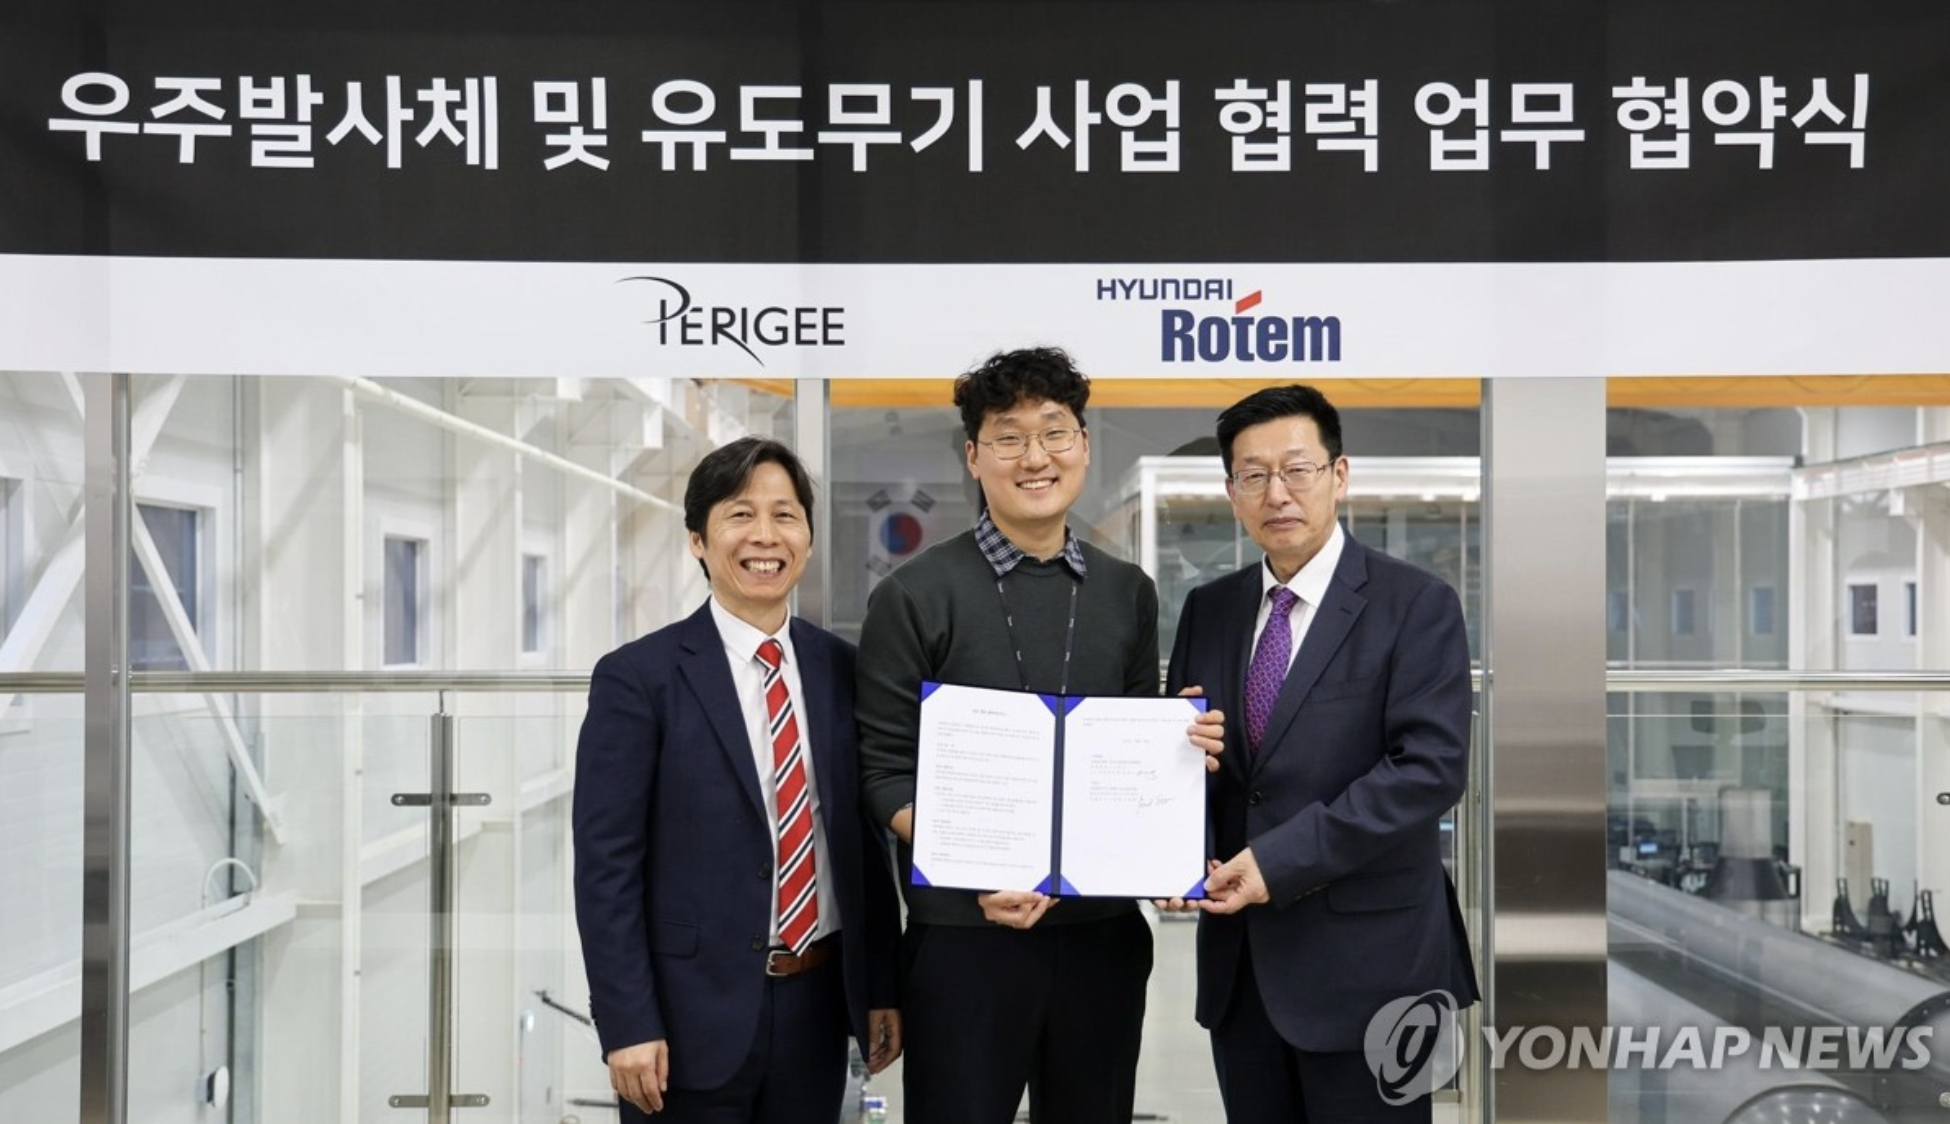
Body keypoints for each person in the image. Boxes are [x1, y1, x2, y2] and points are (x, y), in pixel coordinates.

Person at [856, 346, 1224, 1124]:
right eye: (1009, 437)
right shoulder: (914, 595)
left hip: (1101, 940)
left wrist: (1175, 748)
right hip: (965, 939)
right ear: (974, 455)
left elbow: (1133, 743)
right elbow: (883, 771)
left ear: (1083, 445)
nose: (1035, 458)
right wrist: (975, 871)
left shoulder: (1127, 592)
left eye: (1054, 432)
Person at [1167, 384, 1478, 1124]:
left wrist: (1276, 862)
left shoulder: (1415, 603)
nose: (1276, 493)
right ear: (1232, 493)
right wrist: (1175, 854)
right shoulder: (1209, 608)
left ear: (1339, 475)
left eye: (1297, 469)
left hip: (1372, 969)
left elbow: (1428, 770)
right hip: (1242, 972)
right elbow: (1200, 760)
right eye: (1253, 475)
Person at [573, 436, 901, 1123]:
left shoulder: (844, 670)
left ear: (807, 537)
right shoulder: (638, 679)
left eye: (785, 515)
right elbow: (607, 868)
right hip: (684, 1020)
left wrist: (881, 985)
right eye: (740, 515)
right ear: (698, 539)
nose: (765, 536)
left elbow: (864, 845)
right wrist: (628, 1022)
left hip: (817, 1009)